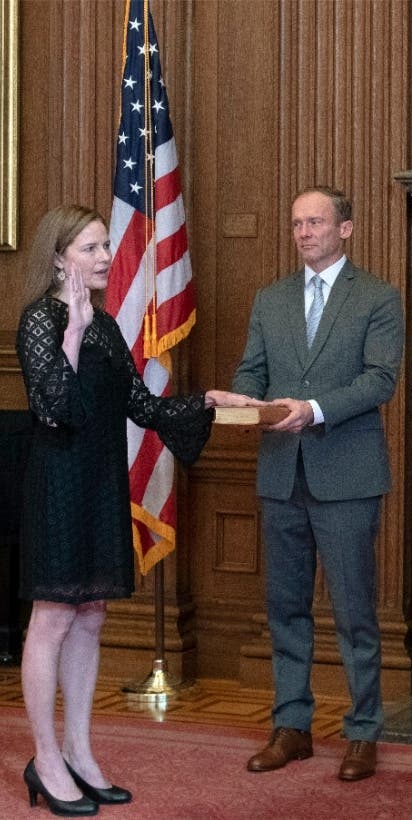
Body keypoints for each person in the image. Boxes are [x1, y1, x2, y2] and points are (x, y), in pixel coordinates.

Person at [15, 204, 258, 816]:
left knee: (91, 613)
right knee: (52, 615)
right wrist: (70, 331)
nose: (104, 258)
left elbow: (142, 406)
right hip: (57, 483)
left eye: (104, 247)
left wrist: (205, 402)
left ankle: (79, 750)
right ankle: (44, 758)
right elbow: (56, 409)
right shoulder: (41, 320)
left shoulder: (105, 325)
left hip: (99, 480)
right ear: (58, 257)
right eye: (92, 248)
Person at [232, 186, 404, 782]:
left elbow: (380, 380)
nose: (304, 233)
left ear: (346, 229)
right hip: (281, 474)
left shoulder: (378, 298)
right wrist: (239, 398)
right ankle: (292, 728)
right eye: (297, 223)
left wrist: (315, 407)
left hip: (348, 476)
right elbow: (252, 371)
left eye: (316, 222)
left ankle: (362, 732)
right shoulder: (270, 299)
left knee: (356, 612)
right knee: (285, 609)